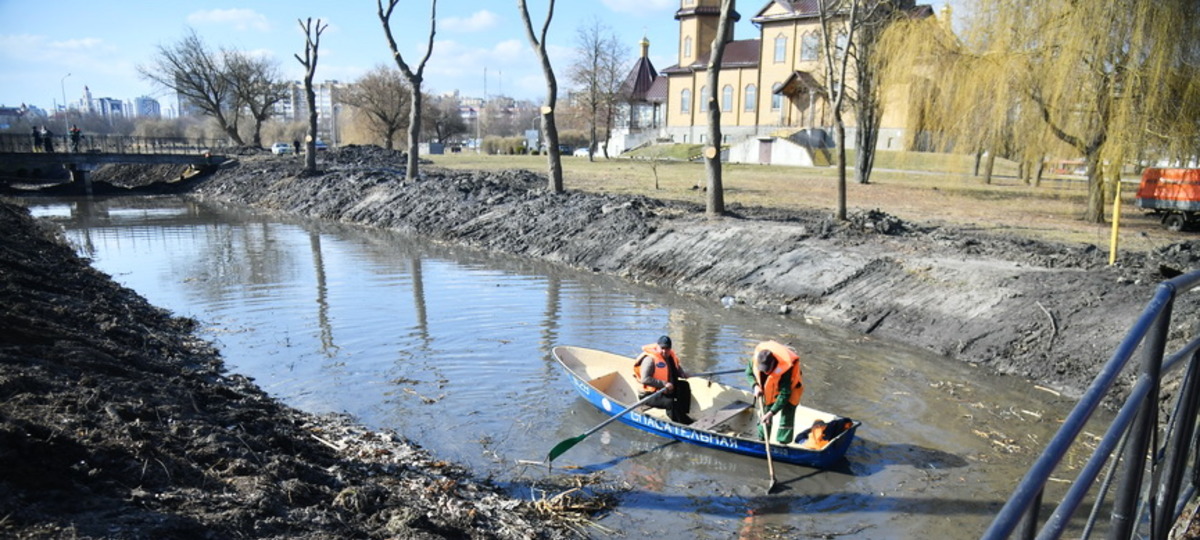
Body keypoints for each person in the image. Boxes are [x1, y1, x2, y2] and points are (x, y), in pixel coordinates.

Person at [746, 340, 803, 444]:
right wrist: (755, 386)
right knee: (764, 411)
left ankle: (783, 442)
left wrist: (771, 413)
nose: (765, 372)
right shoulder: (755, 360)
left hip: (791, 387)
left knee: (787, 413)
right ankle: (763, 439)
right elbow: (749, 373)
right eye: (763, 369)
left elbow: (785, 394)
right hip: (770, 386)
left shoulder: (785, 369)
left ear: (773, 363)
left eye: (767, 369)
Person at [633, 335, 694, 424]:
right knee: (671, 403)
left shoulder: (670, 357)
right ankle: (682, 423)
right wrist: (664, 384)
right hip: (650, 394)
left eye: (667, 349)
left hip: (666, 390)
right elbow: (645, 379)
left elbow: (676, 368)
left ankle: (682, 413)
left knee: (684, 386)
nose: (664, 351)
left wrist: (682, 373)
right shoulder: (650, 360)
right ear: (657, 347)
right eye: (662, 348)